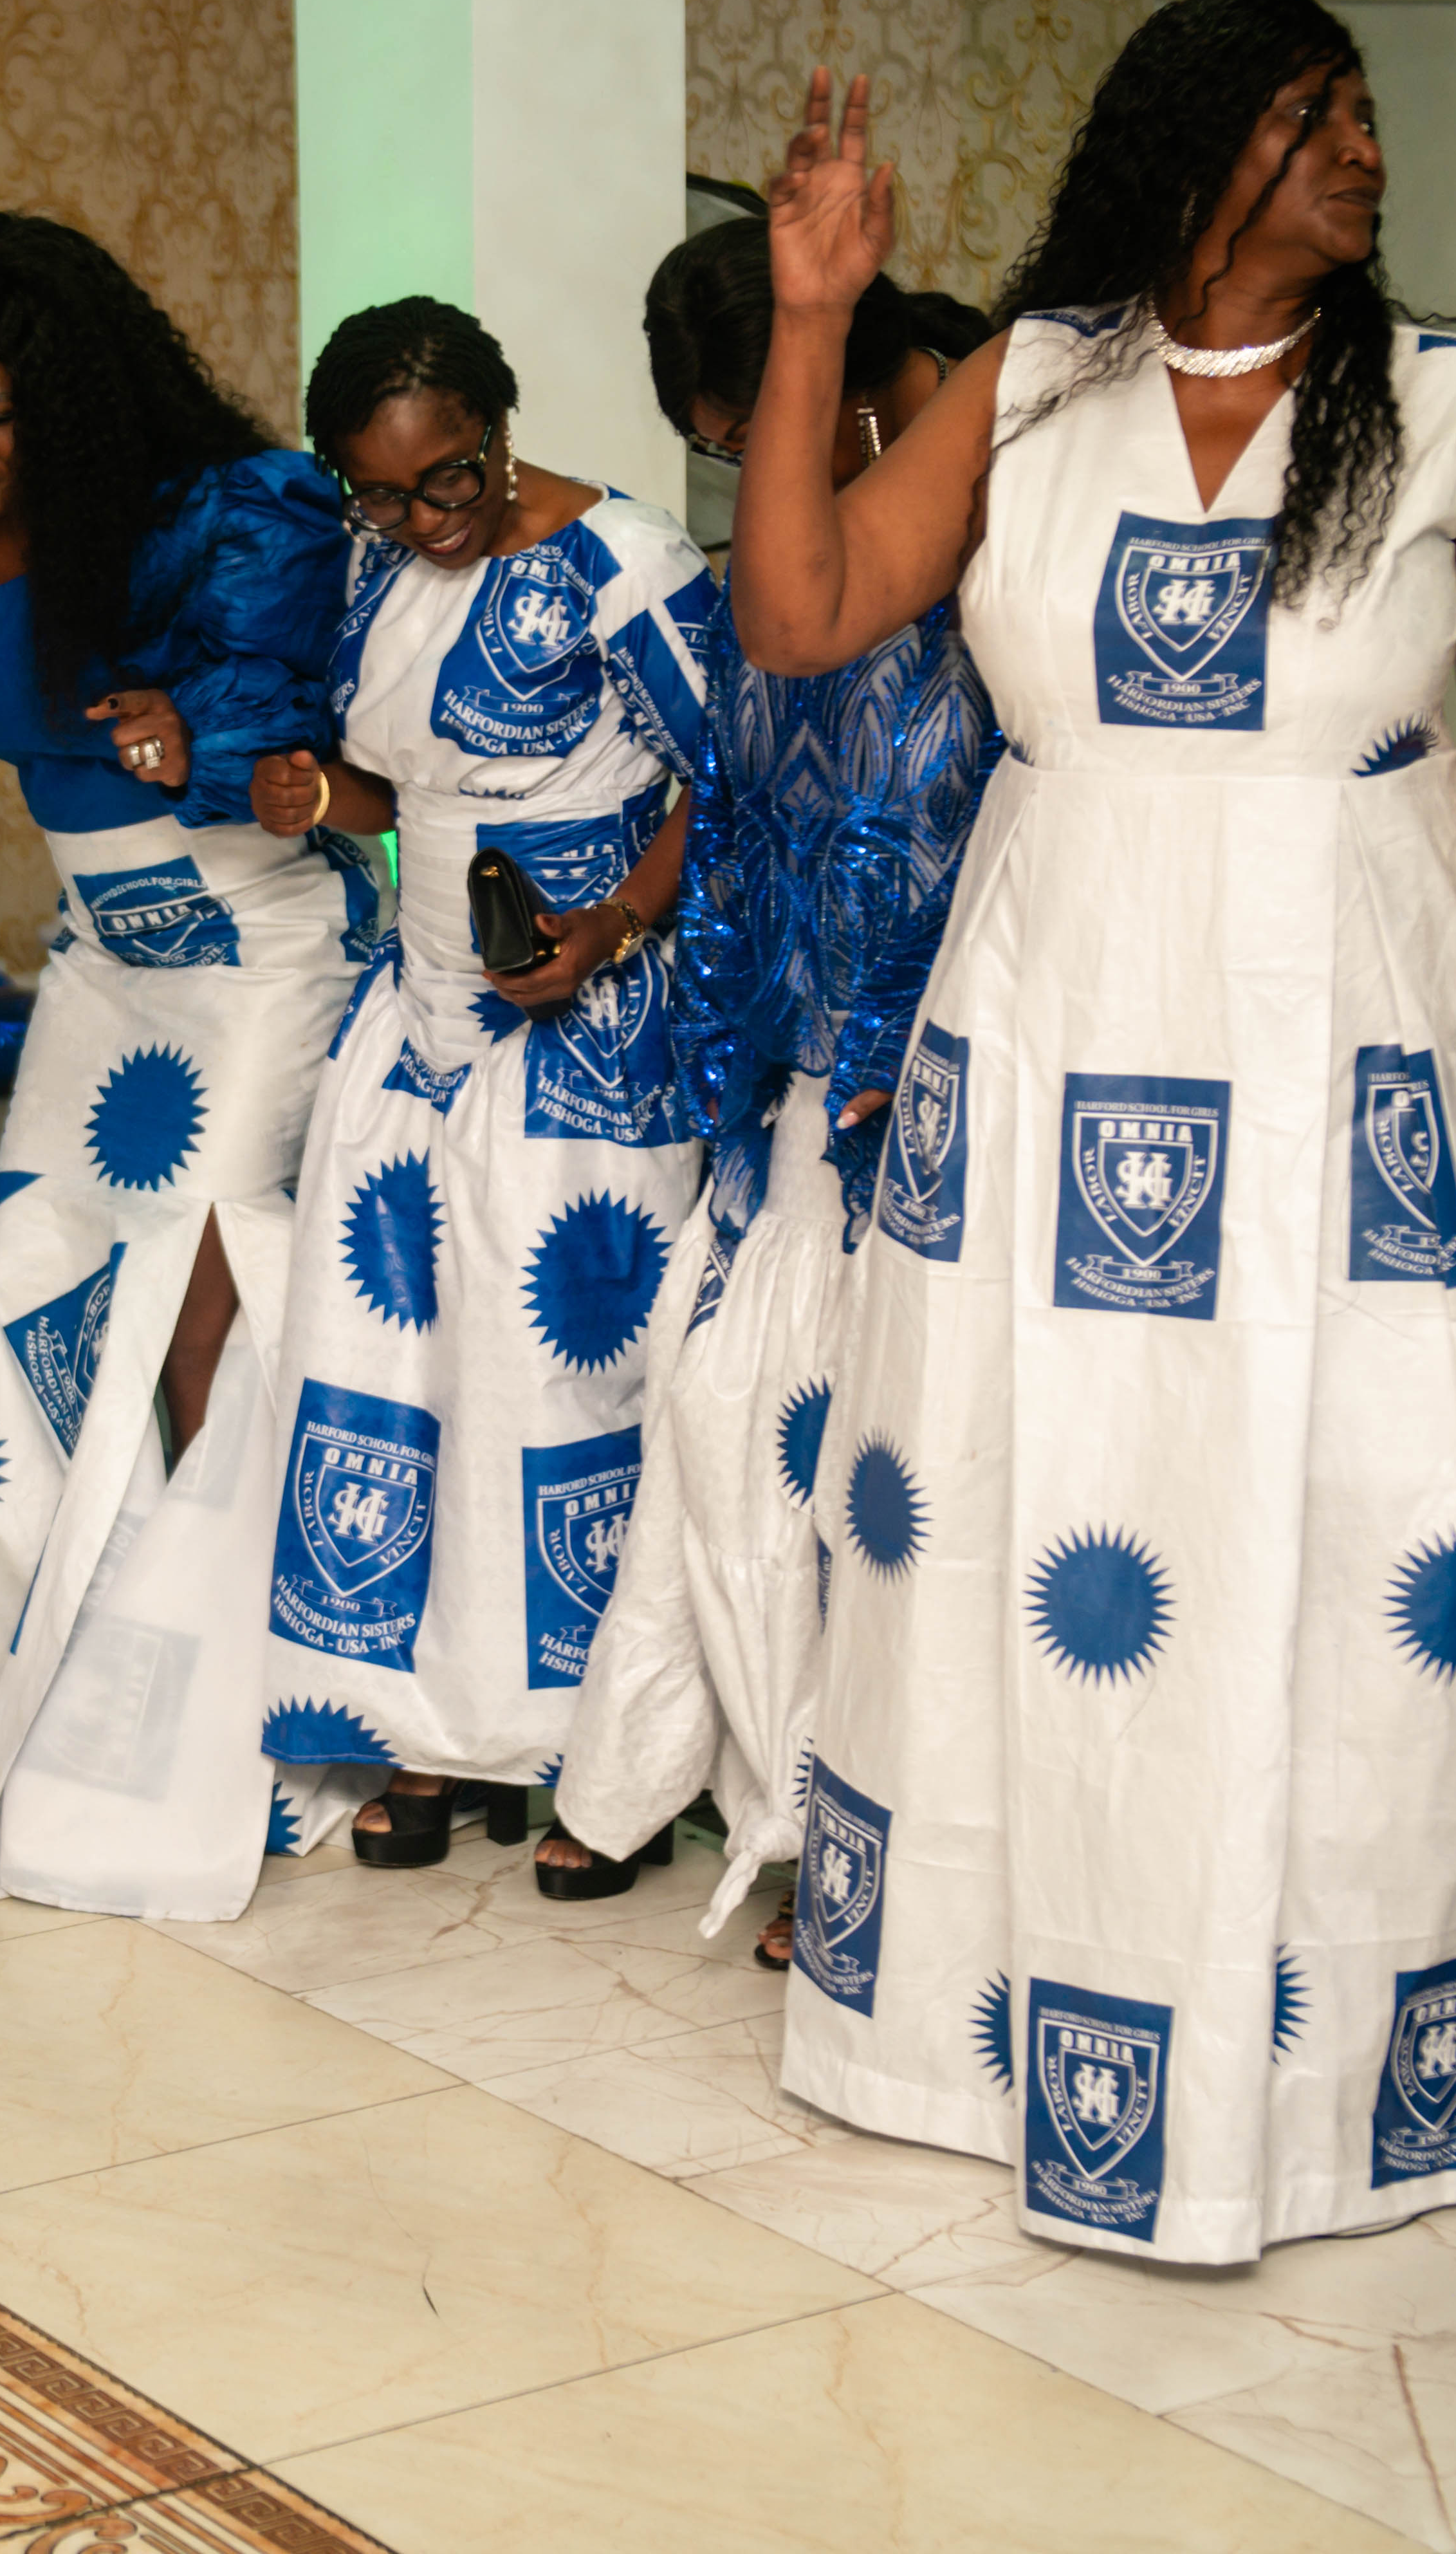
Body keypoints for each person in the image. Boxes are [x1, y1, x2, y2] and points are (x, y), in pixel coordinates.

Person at [737, 8, 1456, 2264]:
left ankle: (1316, 2084)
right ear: (1187, 149)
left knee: (1360, 1508)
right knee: (1011, 1499)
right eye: (1307, 115)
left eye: (1364, 112)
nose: (1363, 149)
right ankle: (972, 2037)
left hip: (1342, 1055)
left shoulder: (1443, 403)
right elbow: (802, 609)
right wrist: (812, 317)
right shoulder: (1031, 387)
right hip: (1051, 1024)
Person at [0, 212, 380, 1898]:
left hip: (250, 950)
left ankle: (247, 1713)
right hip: (104, 967)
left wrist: (191, 733)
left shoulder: (236, 508)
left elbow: (292, 728)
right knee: (26, 1289)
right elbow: (2, 682)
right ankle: (17, 1692)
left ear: (76, 407)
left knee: (196, 1308)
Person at [552, 223, 997, 1942]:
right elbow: (730, 787)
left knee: (860, 1457)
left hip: (936, 1057)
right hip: (790, 1055)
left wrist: (930, 1028)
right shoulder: (784, 543)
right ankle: (741, 1793)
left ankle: (857, 1833)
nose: (743, 466)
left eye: (744, 428)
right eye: (721, 443)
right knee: (729, 1416)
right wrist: (633, 926)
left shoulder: (993, 486)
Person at [248, 295, 721, 1865]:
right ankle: (429, 1732)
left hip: (590, 1024)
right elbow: (409, 788)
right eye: (380, 494)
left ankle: (600, 1756)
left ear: (501, 428)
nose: (420, 519)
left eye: (446, 479)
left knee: (560, 1377)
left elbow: (730, 780)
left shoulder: (624, 562)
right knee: (403, 1365)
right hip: (418, 1012)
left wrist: (612, 926)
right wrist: (321, 792)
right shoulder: (379, 563)